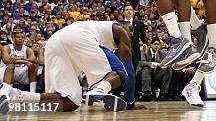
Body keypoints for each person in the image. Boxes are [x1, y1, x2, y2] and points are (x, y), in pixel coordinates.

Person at [0, 21, 136, 113]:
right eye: (130, 32)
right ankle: (98, 91)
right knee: (120, 72)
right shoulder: (119, 29)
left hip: (54, 42)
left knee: (69, 101)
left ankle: (14, 94)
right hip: (78, 36)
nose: (130, 36)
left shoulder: (99, 35)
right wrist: (130, 103)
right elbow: (128, 70)